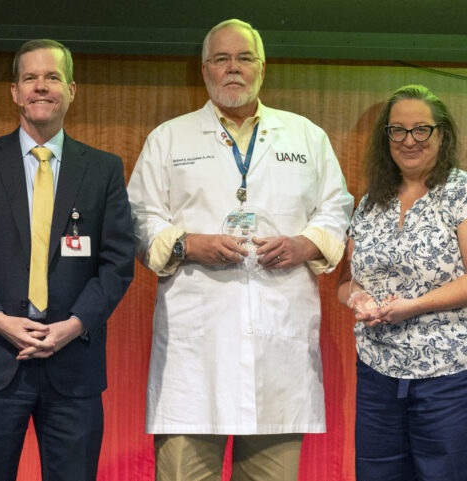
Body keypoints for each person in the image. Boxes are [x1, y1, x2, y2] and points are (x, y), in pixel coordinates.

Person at [127, 19, 353, 481]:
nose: (233, 68)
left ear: (262, 69)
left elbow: (337, 209)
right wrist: (189, 244)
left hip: (279, 350)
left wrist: (304, 244)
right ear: (205, 69)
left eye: (244, 58)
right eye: (221, 59)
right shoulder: (169, 139)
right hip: (195, 355)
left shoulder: (305, 137)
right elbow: (139, 217)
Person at [0, 39, 135, 481]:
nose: (40, 87)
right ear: (14, 91)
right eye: (30, 78)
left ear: (71, 89)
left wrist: (74, 325)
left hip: (74, 365)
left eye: (52, 78)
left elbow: (117, 262)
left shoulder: (103, 169)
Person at [337, 84, 467, 481]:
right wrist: (357, 300)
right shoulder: (371, 200)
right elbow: (347, 281)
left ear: (441, 134)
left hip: (453, 377)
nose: (409, 140)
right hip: (378, 374)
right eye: (397, 130)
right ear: (386, 138)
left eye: (421, 130)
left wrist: (412, 306)